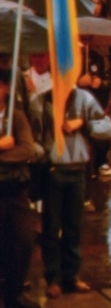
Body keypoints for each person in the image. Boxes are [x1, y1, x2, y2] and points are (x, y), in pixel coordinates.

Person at [31, 68, 111, 299]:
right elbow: (33, 139)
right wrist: (46, 158)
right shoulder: (41, 102)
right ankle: (53, 277)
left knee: (73, 226)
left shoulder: (85, 99)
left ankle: (71, 275)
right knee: (51, 225)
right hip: (54, 171)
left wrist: (84, 124)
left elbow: (106, 128)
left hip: (77, 170)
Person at [0, 69, 37, 308]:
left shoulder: (17, 117)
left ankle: (13, 294)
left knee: (24, 240)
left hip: (15, 189)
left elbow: (27, 149)